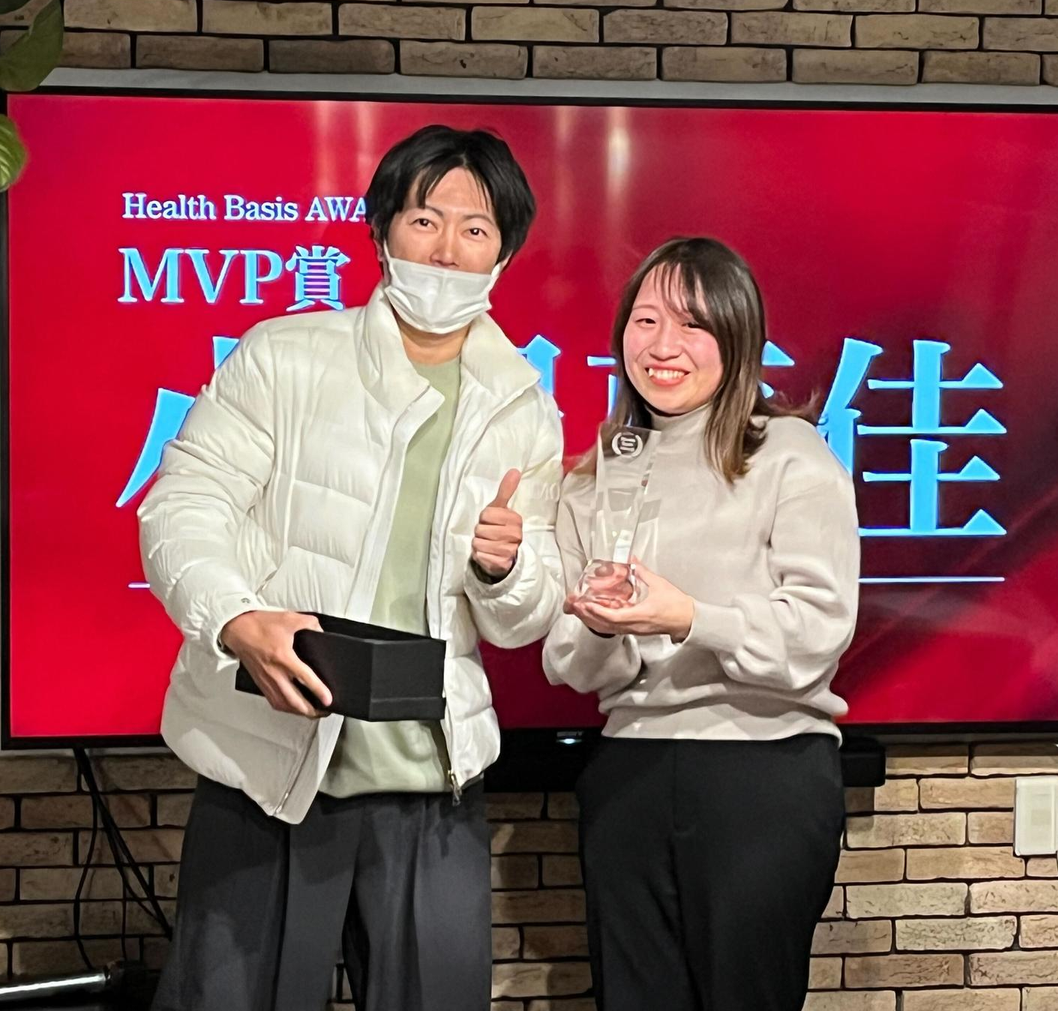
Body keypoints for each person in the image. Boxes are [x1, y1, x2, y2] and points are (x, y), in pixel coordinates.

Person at [139, 124, 565, 1011]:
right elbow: (182, 506)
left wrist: (507, 569)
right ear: (380, 232)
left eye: (475, 229)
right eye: (424, 220)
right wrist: (236, 620)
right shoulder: (285, 356)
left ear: (504, 254)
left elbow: (522, 619)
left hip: (433, 776)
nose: (446, 249)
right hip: (270, 762)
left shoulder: (523, 407)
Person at [543, 236, 860, 1011]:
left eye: (692, 325)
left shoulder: (788, 454)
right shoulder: (596, 475)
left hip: (764, 772)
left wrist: (689, 617)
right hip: (629, 771)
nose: (663, 346)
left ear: (737, 337)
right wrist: (605, 627)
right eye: (646, 321)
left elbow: (818, 628)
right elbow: (569, 662)